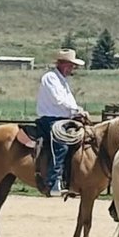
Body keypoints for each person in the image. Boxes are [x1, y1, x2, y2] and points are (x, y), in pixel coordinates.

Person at [33, 48, 87, 197]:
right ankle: (53, 181)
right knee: (61, 145)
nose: (72, 68)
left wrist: (77, 111)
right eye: (70, 65)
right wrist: (76, 109)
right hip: (51, 118)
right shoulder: (50, 78)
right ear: (62, 63)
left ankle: (71, 179)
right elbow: (58, 100)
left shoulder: (61, 80)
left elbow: (68, 101)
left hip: (63, 118)